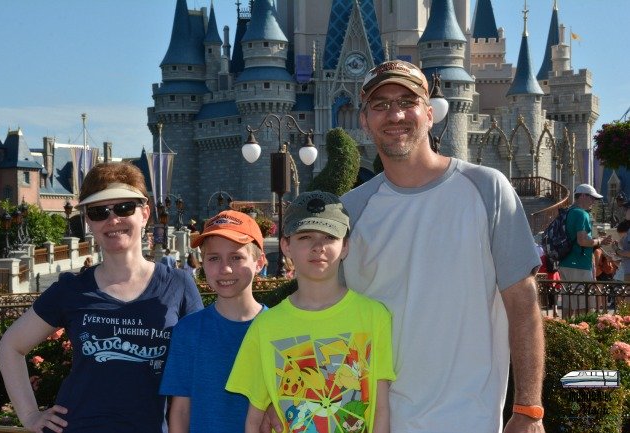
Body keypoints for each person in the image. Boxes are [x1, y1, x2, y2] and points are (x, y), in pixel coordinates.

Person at [327, 59, 542, 433]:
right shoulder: (351, 211)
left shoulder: (486, 189)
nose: (394, 115)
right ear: (363, 120)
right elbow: (331, 316)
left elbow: (522, 304)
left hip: (467, 419)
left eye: (406, 102)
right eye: (380, 105)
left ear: (430, 113)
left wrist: (528, 409)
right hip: (375, 421)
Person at [0, 162, 204, 433]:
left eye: (124, 208)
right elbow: (9, 347)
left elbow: (202, 361)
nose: (113, 219)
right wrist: (30, 415)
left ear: (145, 213)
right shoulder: (72, 290)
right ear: (88, 222)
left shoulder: (178, 284)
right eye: (98, 212)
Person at [227, 191, 395, 433]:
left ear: (345, 246)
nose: (318, 247)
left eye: (329, 236)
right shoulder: (265, 326)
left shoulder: (374, 316)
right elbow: (254, 420)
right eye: (305, 237)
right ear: (286, 245)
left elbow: (380, 409)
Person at [160, 210, 266, 433]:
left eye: (236, 257)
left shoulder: (277, 328)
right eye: (214, 258)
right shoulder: (188, 330)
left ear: (259, 262)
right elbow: (180, 410)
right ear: (203, 263)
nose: (224, 269)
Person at [559, 184, 613, 316]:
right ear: (582, 196)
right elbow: (582, 240)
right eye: (592, 198)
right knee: (583, 306)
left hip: (565, 262)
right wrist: (600, 241)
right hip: (579, 264)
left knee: (569, 304)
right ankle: (582, 333)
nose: (594, 201)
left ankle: (566, 332)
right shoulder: (582, 214)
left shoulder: (568, 212)